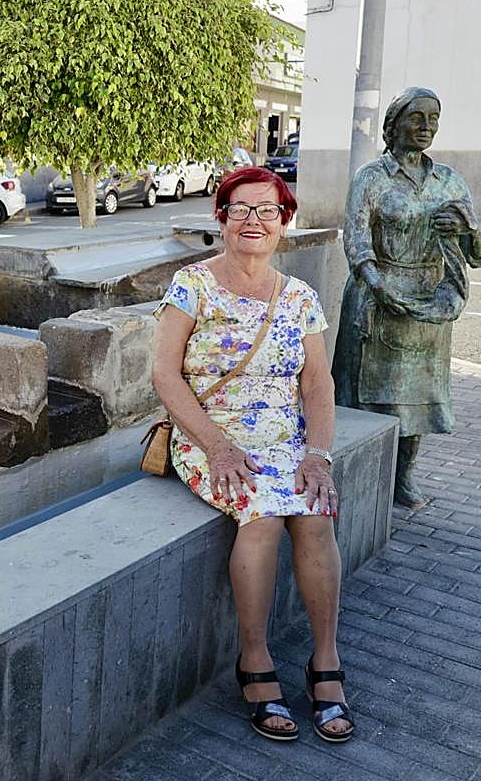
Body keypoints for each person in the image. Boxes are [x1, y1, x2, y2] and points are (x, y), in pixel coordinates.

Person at [151, 166, 354, 743]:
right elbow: (164, 373)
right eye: (240, 210)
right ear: (221, 219)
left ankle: (324, 660)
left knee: (316, 514)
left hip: (284, 440)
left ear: (284, 223)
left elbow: (318, 384)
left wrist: (318, 454)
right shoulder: (193, 285)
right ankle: (256, 660)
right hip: (208, 438)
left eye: (267, 211)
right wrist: (216, 446)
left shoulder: (300, 298)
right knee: (262, 515)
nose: (253, 221)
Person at [332, 87, 479, 509]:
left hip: (427, 307)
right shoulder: (372, 178)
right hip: (376, 299)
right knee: (363, 396)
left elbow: (476, 254)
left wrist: (470, 228)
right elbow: (356, 240)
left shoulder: (449, 180)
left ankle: (403, 476)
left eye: (434, 118)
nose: (427, 127)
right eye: (417, 118)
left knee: (416, 400)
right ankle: (354, 472)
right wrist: (378, 284)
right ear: (394, 124)